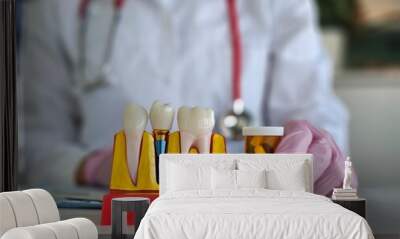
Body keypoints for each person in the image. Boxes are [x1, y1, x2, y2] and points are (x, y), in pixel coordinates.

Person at [20, 0, 351, 196]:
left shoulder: (280, 6)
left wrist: (317, 154)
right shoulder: (55, 9)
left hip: (244, 215)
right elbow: (32, 147)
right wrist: (91, 168)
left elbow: (312, 110)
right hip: (106, 223)